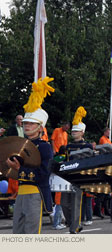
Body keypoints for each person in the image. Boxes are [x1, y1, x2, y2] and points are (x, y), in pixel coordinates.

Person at [5, 77, 55, 234]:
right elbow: (13, 172)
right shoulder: (19, 145)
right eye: (25, 123)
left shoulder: (45, 147)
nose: (27, 126)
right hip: (20, 194)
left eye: (31, 123)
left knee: (31, 235)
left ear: (40, 127)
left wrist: (19, 170)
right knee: (17, 234)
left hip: (35, 193)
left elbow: (43, 174)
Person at [61, 106, 93, 234]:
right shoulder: (68, 146)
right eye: (73, 131)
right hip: (66, 177)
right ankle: (73, 223)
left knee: (75, 204)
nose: (73, 132)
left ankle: (74, 228)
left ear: (82, 132)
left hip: (78, 177)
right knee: (64, 203)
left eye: (76, 131)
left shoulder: (87, 146)